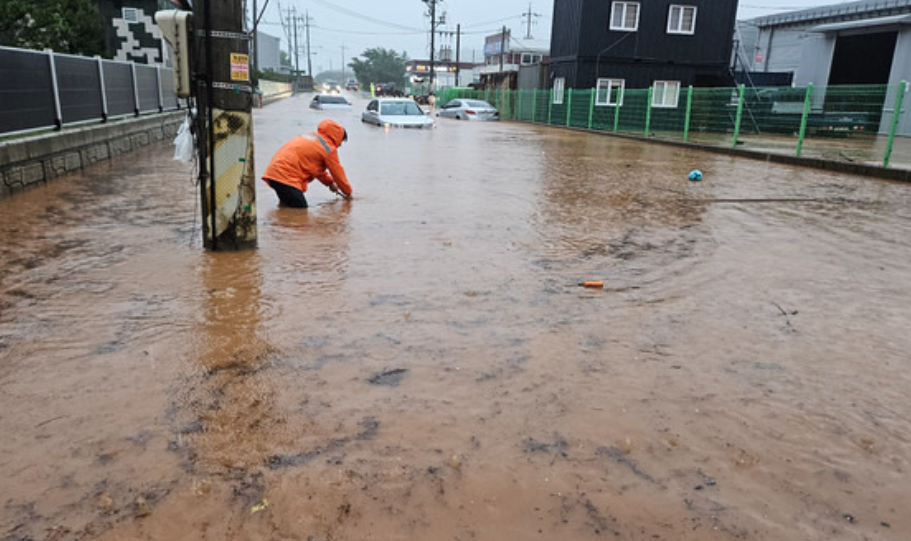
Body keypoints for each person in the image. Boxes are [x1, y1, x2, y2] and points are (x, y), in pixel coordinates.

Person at [262, 119, 352, 208]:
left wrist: (330, 183)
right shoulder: (328, 149)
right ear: (338, 138)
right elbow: (338, 173)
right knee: (301, 211)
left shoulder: (311, 137)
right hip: (287, 177)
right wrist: (348, 193)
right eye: (341, 142)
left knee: (287, 209)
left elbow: (316, 170)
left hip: (274, 173)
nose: (340, 145)